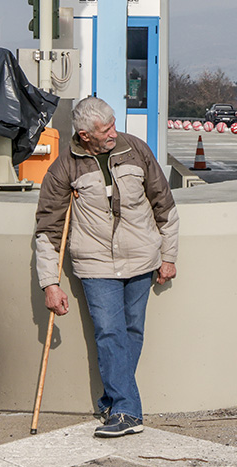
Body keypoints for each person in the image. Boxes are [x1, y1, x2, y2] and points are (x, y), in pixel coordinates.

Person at [34, 97, 179, 438]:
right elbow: (48, 229)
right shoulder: (63, 168)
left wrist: (168, 256)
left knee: (131, 333)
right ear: (85, 135)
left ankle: (112, 399)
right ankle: (128, 412)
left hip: (142, 258)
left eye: (113, 124)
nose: (113, 132)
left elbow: (165, 206)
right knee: (109, 332)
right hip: (95, 264)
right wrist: (49, 283)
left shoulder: (136, 150)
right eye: (105, 129)